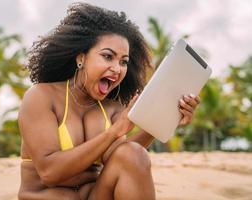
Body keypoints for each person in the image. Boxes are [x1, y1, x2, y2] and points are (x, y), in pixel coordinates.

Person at [18, 3, 200, 200]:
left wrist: (166, 117)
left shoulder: (111, 109)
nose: (117, 68)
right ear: (81, 58)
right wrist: (114, 131)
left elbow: (125, 159)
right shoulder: (41, 96)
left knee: (134, 153)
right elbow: (49, 173)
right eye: (107, 57)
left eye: (123, 62)